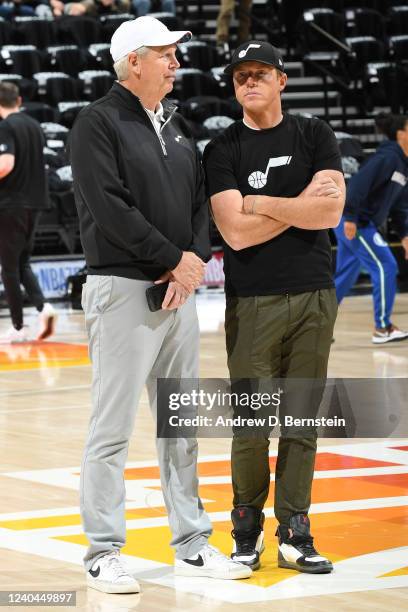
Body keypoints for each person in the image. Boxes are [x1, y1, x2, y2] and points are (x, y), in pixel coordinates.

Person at [69, 16, 252, 595]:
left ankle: (193, 544)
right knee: (113, 427)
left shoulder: (177, 126)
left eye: (175, 54)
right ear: (133, 62)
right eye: (166, 54)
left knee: (181, 426)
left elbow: (199, 203)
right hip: (123, 289)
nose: (176, 63)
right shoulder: (96, 123)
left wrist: (192, 261)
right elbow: (111, 208)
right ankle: (103, 552)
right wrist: (171, 260)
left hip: (179, 290)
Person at [203, 41, 345, 574]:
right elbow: (235, 234)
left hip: (314, 294)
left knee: (303, 419)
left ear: (282, 80)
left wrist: (258, 201)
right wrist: (299, 205)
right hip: (252, 301)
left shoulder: (315, 134)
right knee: (251, 423)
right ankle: (245, 529)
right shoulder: (221, 149)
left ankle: (295, 530)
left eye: (260, 73)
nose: (249, 82)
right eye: (240, 76)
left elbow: (331, 212)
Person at [334, 113, 408, 344]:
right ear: (401, 134)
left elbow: (399, 205)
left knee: (345, 276)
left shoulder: (402, 165)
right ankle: (383, 327)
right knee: (386, 265)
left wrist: (404, 234)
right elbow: (357, 184)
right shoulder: (387, 158)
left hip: (356, 222)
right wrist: (350, 217)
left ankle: (312, 329)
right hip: (356, 223)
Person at [0, 82, 57, 344]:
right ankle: (44, 308)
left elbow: (5, 164)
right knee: (22, 262)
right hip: (36, 203)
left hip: (12, 204)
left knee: (9, 268)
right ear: (20, 100)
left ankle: (18, 326)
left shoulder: (5, 126)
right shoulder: (34, 126)